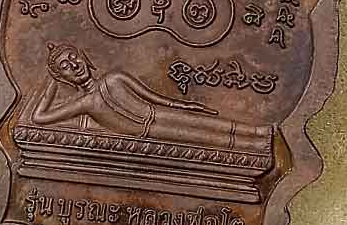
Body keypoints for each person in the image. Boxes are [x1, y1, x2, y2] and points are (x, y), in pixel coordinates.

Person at [26, 42, 271, 153]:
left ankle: (259, 132)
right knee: (202, 138)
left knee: (204, 122)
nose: (74, 65)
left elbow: (152, 97)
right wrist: (52, 82)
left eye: (73, 57)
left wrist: (182, 104)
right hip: (147, 132)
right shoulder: (85, 103)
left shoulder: (114, 78)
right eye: (65, 67)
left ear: (83, 56)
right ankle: (254, 146)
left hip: (156, 113)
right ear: (63, 77)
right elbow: (39, 118)